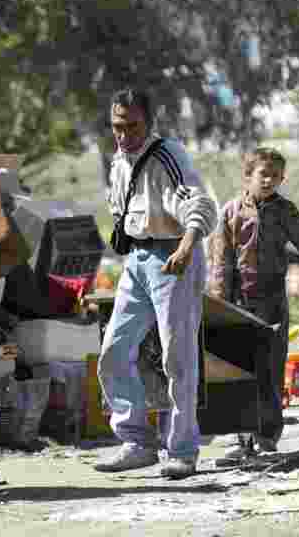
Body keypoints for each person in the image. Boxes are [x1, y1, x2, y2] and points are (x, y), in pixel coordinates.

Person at [94, 88, 217, 480]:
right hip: (137, 261)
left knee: (177, 359)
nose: (125, 134)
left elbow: (199, 203)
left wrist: (185, 247)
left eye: (132, 126)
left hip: (174, 258)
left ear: (149, 123)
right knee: (114, 351)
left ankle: (182, 450)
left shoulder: (168, 155)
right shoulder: (118, 162)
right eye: (117, 126)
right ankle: (136, 441)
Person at [207, 146, 299, 458]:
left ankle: (267, 437)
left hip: (272, 306)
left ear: (282, 178)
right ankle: (242, 441)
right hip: (237, 305)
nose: (269, 181)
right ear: (248, 176)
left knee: (270, 371)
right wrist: (217, 306)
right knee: (238, 373)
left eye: (275, 176)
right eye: (263, 174)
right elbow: (220, 263)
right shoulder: (230, 213)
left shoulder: (285, 212)